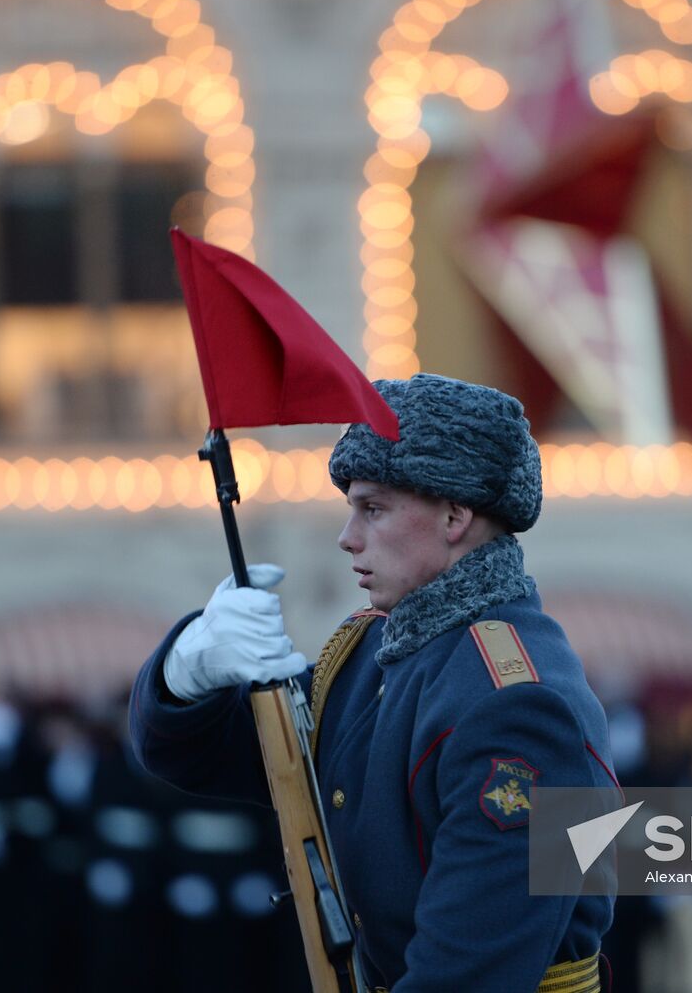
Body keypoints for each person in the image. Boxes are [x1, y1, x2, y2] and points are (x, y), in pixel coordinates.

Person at [130, 373, 618, 992]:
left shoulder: (517, 704)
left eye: (374, 508)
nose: (347, 537)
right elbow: (193, 756)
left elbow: (470, 973)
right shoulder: (373, 651)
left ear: (454, 515)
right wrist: (190, 668)